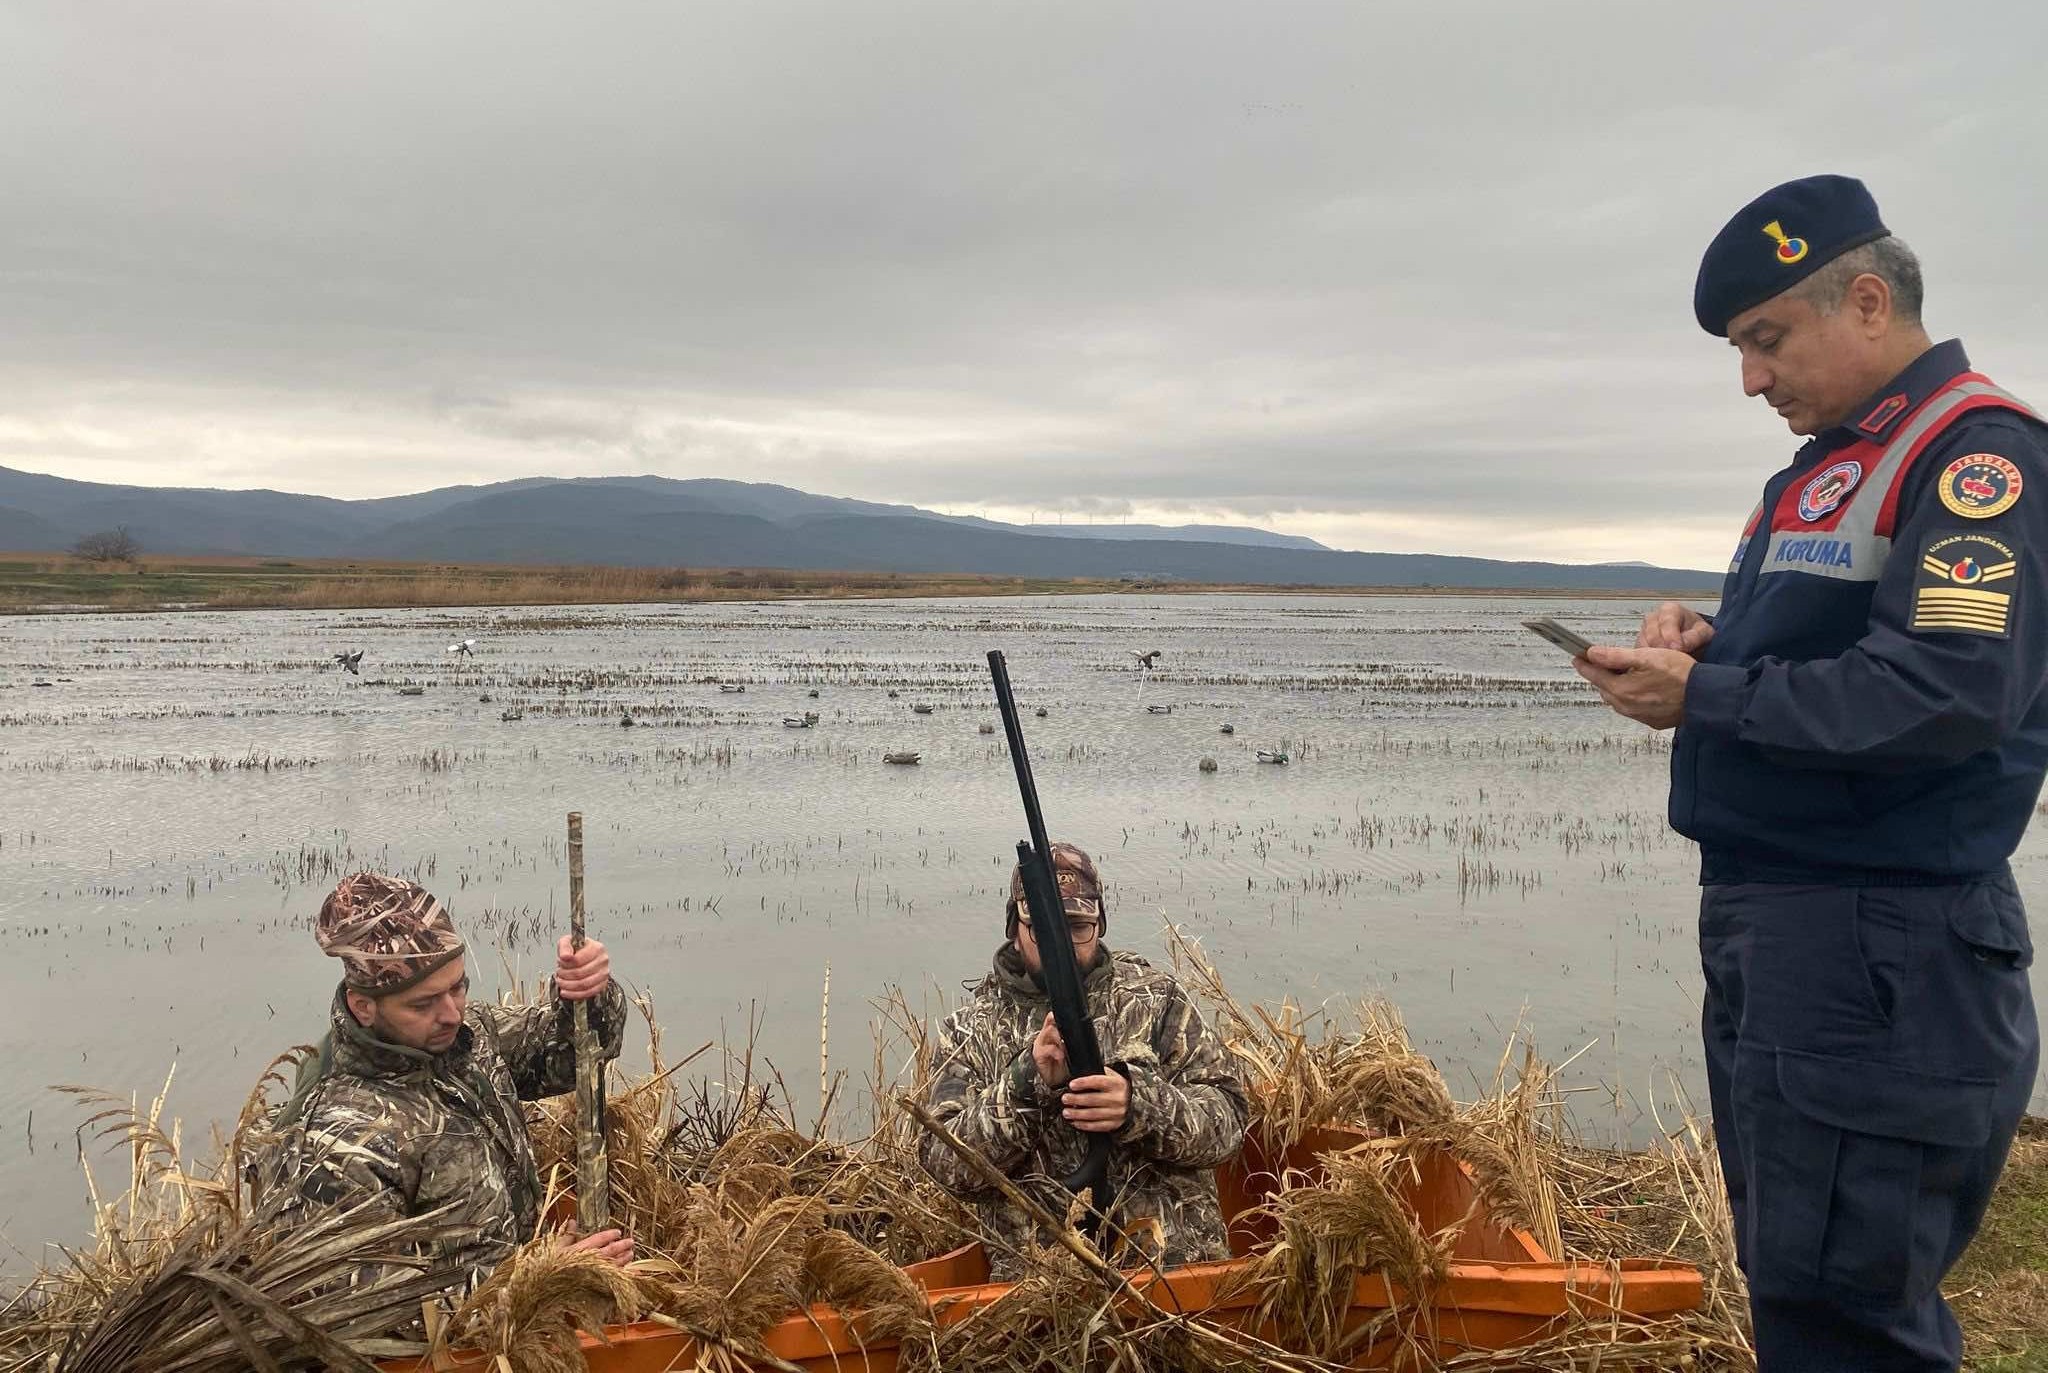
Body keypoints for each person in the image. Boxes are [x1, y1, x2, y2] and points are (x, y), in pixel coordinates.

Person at [1576, 174, 2042, 1371]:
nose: (1750, 378)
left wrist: (1707, 696)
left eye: (1764, 340)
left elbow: (1945, 692)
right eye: (1740, 348)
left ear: (1868, 300)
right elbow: (1832, 658)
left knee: (1849, 1313)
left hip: (1876, 944)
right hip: (1792, 934)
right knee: (1797, 1281)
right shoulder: (1836, 462)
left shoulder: (1975, 458)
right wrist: (1711, 645)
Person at [261, 872, 635, 1298]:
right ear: (362, 1006)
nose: (452, 1014)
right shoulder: (334, 1139)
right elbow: (359, 1308)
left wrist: (584, 993)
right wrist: (540, 1279)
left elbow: (574, 1058)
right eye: (423, 1003)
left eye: (457, 987)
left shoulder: (467, 1038)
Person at [917, 842, 1248, 1278]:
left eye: (1077, 927)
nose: (1062, 946)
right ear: (1014, 927)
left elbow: (1229, 1124)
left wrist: (1138, 1105)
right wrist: (1024, 1085)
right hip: (1043, 1295)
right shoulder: (969, 1031)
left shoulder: (1156, 1000)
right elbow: (945, 1166)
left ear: (1101, 924)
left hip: (1179, 1280)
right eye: (1043, 929)